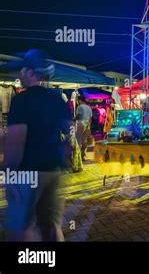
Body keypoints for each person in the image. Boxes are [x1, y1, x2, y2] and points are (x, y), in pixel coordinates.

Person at [4, 49, 72, 241]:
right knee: (51, 224)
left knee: (20, 226)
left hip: (28, 171)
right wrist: (64, 153)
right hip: (55, 168)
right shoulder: (57, 99)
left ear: (31, 73)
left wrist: (8, 175)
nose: (19, 75)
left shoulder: (21, 101)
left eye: (22, 71)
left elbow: (15, 141)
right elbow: (74, 132)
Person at [75, 95, 92, 161]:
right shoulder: (89, 107)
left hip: (80, 124)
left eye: (77, 100)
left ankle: (78, 156)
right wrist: (89, 126)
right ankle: (83, 156)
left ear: (80, 100)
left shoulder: (80, 107)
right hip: (87, 124)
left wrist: (74, 119)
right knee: (84, 141)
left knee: (78, 140)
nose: (77, 102)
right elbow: (90, 119)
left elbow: (79, 116)